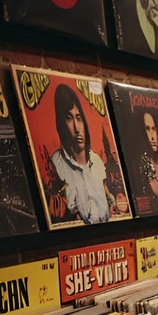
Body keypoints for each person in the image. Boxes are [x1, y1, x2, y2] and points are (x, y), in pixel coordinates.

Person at [49, 83, 112, 225]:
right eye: (69, 118)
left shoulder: (97, 161)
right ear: (62, 124)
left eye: (78, 118)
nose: (77, 128)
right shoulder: (57, 163)